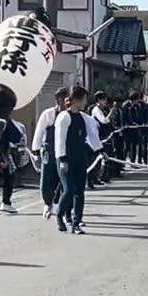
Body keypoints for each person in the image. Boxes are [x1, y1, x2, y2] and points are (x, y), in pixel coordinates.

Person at [53, 85, 96, 235]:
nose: (85, 102)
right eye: (84, 99)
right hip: (66, 158)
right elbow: (60, 140)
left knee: (80, 192)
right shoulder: (64, 117)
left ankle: (76, 223)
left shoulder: (84, 118)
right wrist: (62, 159)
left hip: (80, 157)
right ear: (77, 100)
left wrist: (100, 151)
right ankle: (60, 214)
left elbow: (92, 136)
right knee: (69, 189)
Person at [32, 87, 70, 220]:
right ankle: (48, 204)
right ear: (59, 100)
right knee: (46, 179)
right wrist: (36, 152)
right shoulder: (48, 114)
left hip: (65, 152)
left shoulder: (70, 115)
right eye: (65, 99)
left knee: (64, 181)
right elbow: (39, 133)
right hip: (49, 152)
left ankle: (62, 208)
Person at [89, 91, 115, 185]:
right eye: (103, 99)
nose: (105, 101)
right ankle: (92, 179)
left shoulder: (104, 109)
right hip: (97, 136)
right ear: (98, 100)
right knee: (96, 157)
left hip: (104, 135)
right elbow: (104, 121)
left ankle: (100, 177)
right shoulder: (96, 109)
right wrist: (111, 112)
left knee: (102, 157)